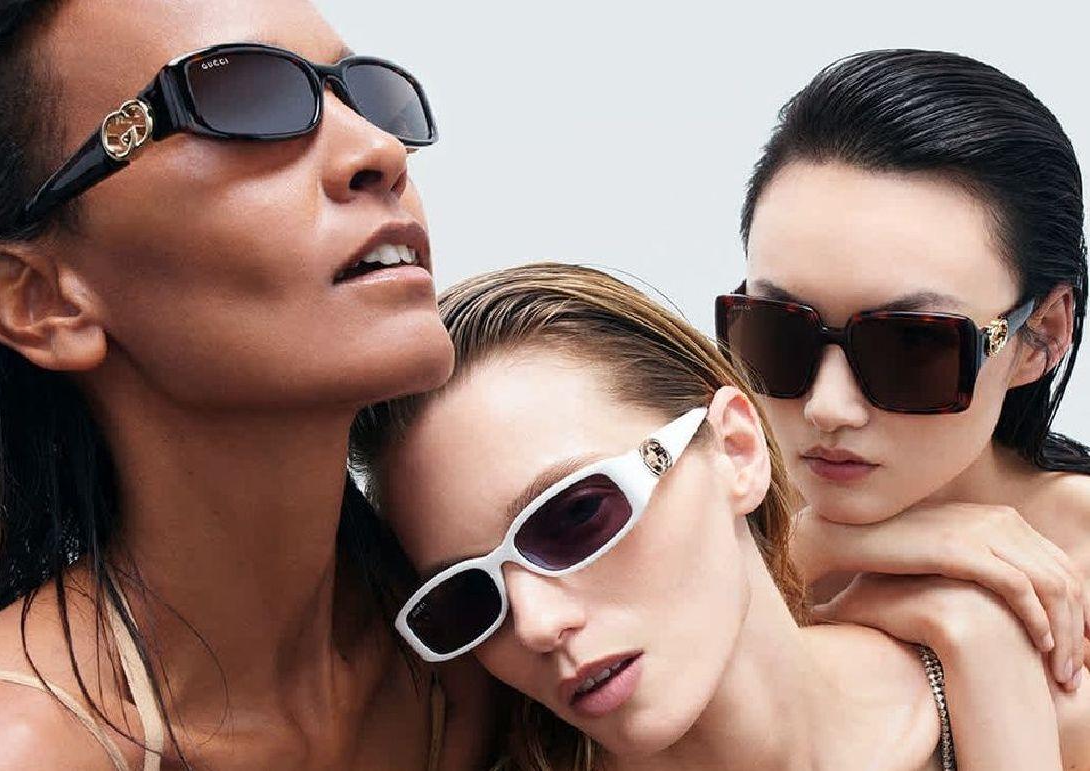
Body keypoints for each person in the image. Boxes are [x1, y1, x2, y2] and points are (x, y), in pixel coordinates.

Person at [0, 1, 492, 767]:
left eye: (365, 94)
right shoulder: (7, 750)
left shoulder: (498, 655)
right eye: (240, 97)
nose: (378, 149)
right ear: (40, 299)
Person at [352, 262, 1077, 770]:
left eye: (576, 516)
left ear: (736, 448)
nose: (536, 626)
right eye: (467, 598)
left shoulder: (1042, 705)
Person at [717, 49, 1090, 709]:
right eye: (778, 332)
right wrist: (814, 548)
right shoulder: (693, 516)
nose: (829, 407)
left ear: (1043, 334)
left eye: (912, 345)